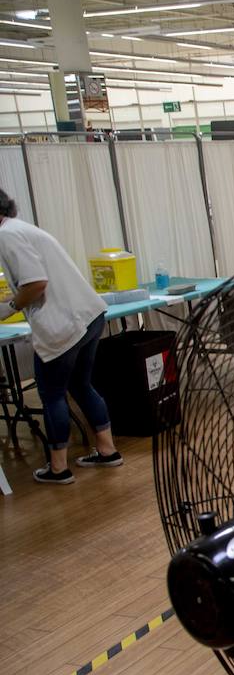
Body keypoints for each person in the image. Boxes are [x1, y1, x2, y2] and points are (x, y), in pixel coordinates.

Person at [0, 190, 122, 485]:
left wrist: (10, 307)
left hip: (64, 324)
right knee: (81, 385)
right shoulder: (23, 229)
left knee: (52, 393)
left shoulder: (7, 236)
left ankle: (58, 468)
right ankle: (107, 450)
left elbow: (36, 284)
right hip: (87, 315)